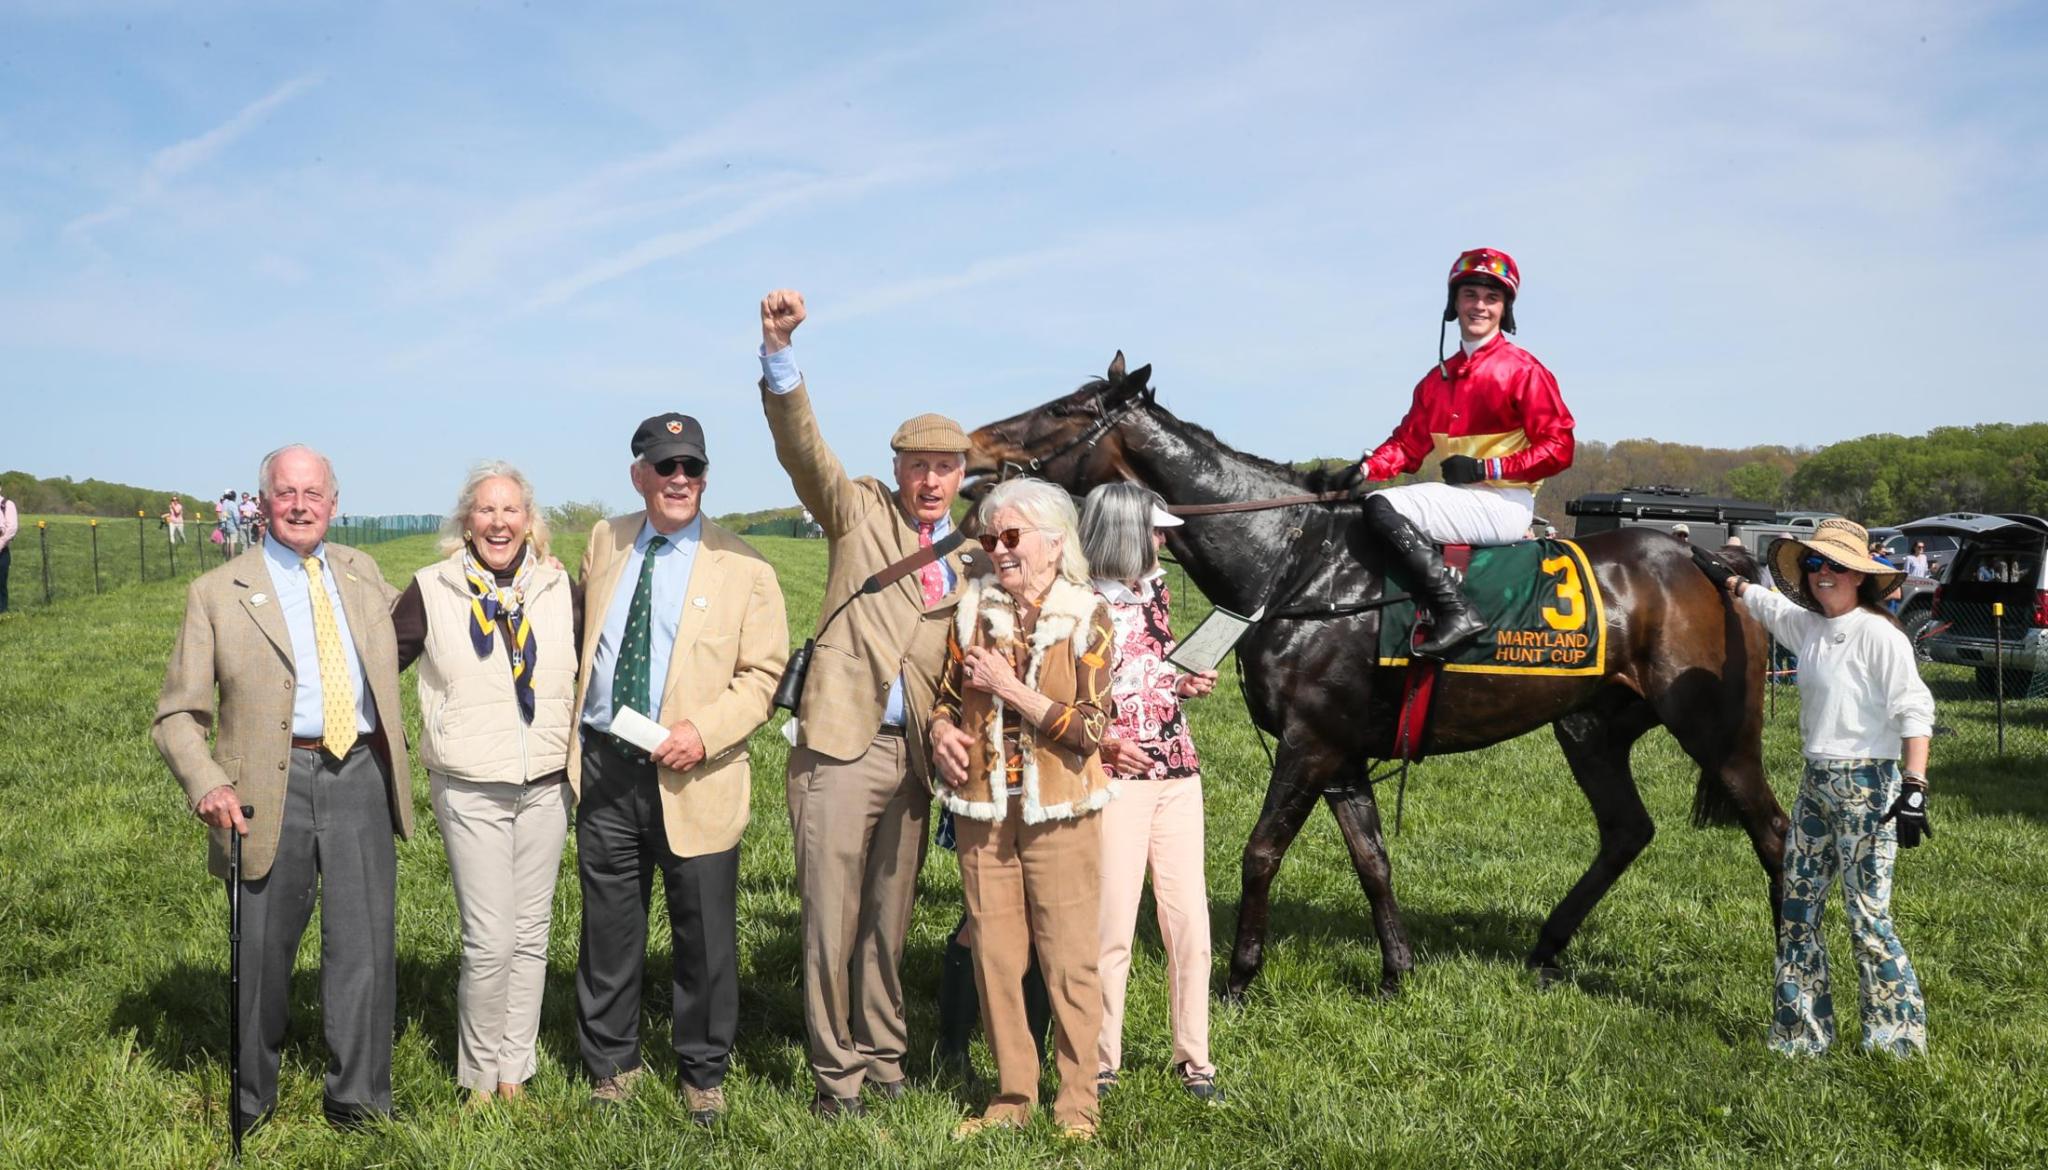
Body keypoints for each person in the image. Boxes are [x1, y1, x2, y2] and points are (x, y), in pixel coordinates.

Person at [754, 289, 981, 1118]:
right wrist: (780, 354)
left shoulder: (967, 563)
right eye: (917, 465)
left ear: (962, 477)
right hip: (839, 750)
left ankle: (885, 1059)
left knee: (889, 921)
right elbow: (802, 449)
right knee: (829, 921)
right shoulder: (856, 511)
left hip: (914, 761)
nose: (930, 479)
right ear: (897, 470)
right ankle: (834, 1077)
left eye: (945, 467)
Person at [152, 444, 414, 1129]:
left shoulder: (362, 573)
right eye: (286, 493)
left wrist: (534, 573)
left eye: (314, 494)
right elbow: (177, 713)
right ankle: (250, 1100)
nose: (300, 505)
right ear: (263, 503)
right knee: (262, 951)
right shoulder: (216, 592)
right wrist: (206, 782)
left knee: (364, 948)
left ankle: (359, 1104)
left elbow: (431, 621)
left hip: (360, 772)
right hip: (266, 787)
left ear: (334, 503)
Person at [569, 412, 788, 1124]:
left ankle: (703, 1072)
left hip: (698, 771)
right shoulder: (606, 540)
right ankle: (612, 1067)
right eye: (666, 467)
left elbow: (764, 674)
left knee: (705, 935)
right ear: (639, 475)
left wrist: (705, 731)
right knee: (609, 929)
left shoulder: (746, 565)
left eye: (692, 467)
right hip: (606, 764)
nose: (680, 480)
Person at [929, 477, 1116, 1142]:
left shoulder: (1086, 615)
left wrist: (1012, 690)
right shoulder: (970, 610)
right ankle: (1012, 1096)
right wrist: (941, 731)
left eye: (1011, 536)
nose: (998, 549)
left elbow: (1092, 729)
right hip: (983, 810)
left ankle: (1077, 1105)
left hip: (1061, 811)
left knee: (1069, 963)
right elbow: (947, 697)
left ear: (1053, 543)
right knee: (998, 958)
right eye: (990, 538)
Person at [1708, 518, 1934, 1056]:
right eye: (1815, 564)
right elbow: (1767, 605)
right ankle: (1800, 1037)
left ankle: (1895, 1041)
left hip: (1869, 788)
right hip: (1815, 786)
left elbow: (1914, 710)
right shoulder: (1807, 627)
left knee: (1868, 917)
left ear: (1859, 575)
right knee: (1798, 910)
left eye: (1836, 565)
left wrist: (1914, 786)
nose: (1824, 574)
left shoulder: (1880, 634)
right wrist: (1729, 580)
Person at [391, 462, 580, 1106]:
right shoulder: (431, 588)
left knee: (531, 936)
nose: (498, 523)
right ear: (466, 521)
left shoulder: (559, 588)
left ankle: (514, 1072)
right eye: (485, 511)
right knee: (490, 936)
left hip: (548, 783)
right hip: (470, 785)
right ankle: (476, 1075)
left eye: (511, 511)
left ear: (530, 520)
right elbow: (379, 663)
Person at [1354, 247, 1575, 656]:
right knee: (1361, 501)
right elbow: (1407, 446)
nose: (1479, 306)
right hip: (1461, 501)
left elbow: (1560, 448)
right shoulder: (1435, 381)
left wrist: (1486, 467)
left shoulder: (1524, 371)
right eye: (1470, 295)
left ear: (1505, 309)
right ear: (1454, 303)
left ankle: (1457, 611)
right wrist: (1364, 467)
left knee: (1381, 505)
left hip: (1504, 503)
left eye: (1491, 298)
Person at [1079, 483, 1223, 1104]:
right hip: (1116, 780)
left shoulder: (1156, 588)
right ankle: (1101, 1060)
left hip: (1178, 771)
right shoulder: (1078, 604)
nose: (1164, 539)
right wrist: (1106, 737)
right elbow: (1066, 693)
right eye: (1154, 530)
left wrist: (1182, 682)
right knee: (1111, 924)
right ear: (1123, 533)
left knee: (1189, 922)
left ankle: (1196, 1061)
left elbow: (1151, 665)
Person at [0, 484, 16, 612]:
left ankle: (2, 612)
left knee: (0, 583)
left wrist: (0, 544)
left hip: (1, 550)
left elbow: (11, 529)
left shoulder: (7, 505)